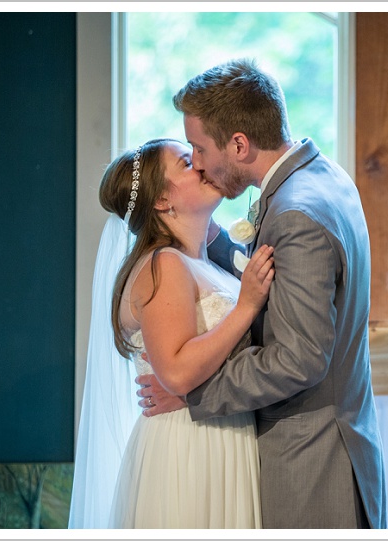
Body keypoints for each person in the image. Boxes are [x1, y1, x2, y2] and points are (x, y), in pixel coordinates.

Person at [136, 58, 387, 529]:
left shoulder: (295, 213)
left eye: (200, 148)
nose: (201, 164)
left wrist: (194, 392)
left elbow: (298, 358)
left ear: (239, 143)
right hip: (334, 444)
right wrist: (212, 242)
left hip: (312, 463)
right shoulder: (323, 177)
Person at [68, 137, 275, 528]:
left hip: (222, 437)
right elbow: (176, 372)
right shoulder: (165, 265)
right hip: (190, 449)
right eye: (185, 162)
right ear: (162, 201)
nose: (200, 163)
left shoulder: (203, 264)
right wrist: (246, 305)